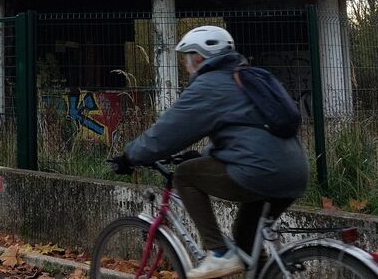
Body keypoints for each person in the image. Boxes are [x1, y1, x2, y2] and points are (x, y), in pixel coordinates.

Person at [109, 26, 309, 279]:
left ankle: (218, 253)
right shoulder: (245, 78)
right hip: (295, 173)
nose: (184, 63)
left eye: (186, 57)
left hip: (259, 171)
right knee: (246, 237)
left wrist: (130, 156)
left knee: (185, 175)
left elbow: (167, 133)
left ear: (199, 57)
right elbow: (243, 133)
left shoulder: (209, 85)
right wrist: (204, 156)